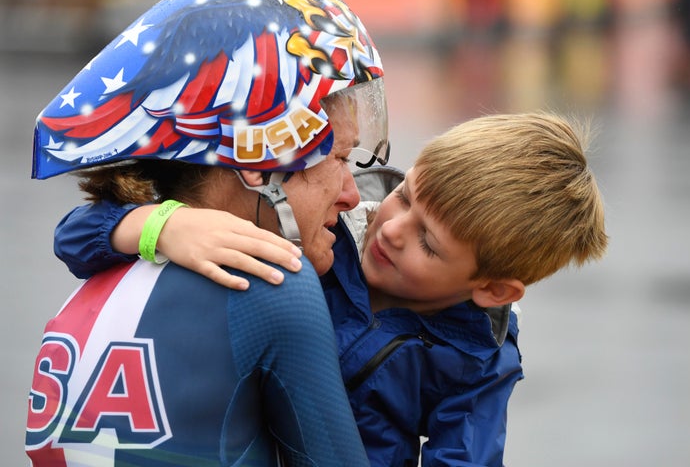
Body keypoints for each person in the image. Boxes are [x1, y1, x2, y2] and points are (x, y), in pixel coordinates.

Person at [52, 112, 609, 466]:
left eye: (429, 244)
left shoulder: (478, 358)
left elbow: (466, 456)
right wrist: (164, 225)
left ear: (491, 290)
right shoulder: (317, 232)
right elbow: (76, 237)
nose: (390, 228)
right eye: (406, 196)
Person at [26, 0, 391, 465]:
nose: (350, 193)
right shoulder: (274, 280)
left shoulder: (103, 269)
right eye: (339, 157)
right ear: (261, 161)